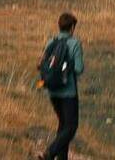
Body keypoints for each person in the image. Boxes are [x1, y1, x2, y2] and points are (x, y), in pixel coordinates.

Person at [35, 12, 84, 160]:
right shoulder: (74, 43)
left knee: (63, 125)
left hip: (52, 91)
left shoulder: (51, 42)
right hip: (68, 92)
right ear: (72, 28)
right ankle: (50, 153)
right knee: (71, 127)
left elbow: (41, 64)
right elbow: (79, 68)